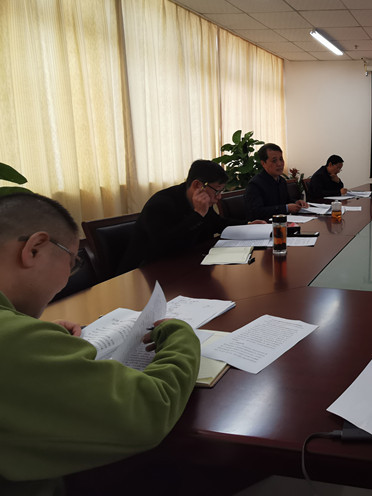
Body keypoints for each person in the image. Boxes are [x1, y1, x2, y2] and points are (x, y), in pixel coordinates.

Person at [0, 193, 200, 495]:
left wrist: (34, 334)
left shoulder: (15, 337)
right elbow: (147, 412)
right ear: (35, 248)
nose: (67, 278)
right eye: (72, 262)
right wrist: (181, 337)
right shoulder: (14, 343)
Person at [120, 159, 258, 272]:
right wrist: (198, 214)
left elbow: (217, 223)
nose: (219, 197)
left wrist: (248, 226)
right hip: (146, 274)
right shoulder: (160, 204)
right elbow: (166, 246)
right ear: (198, 185)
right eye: (217, 191)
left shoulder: (200, 201)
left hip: (187, 266)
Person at [245, 143, 307, 220]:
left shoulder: (281, 181)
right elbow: (257, 212)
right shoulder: (255, 184)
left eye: (281, 159)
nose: (279, 164)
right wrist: (286, 208)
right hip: (265, 224)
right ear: (263, 163)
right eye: (274, 161)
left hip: (282, 222)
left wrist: (296, 202)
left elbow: (285, 201)